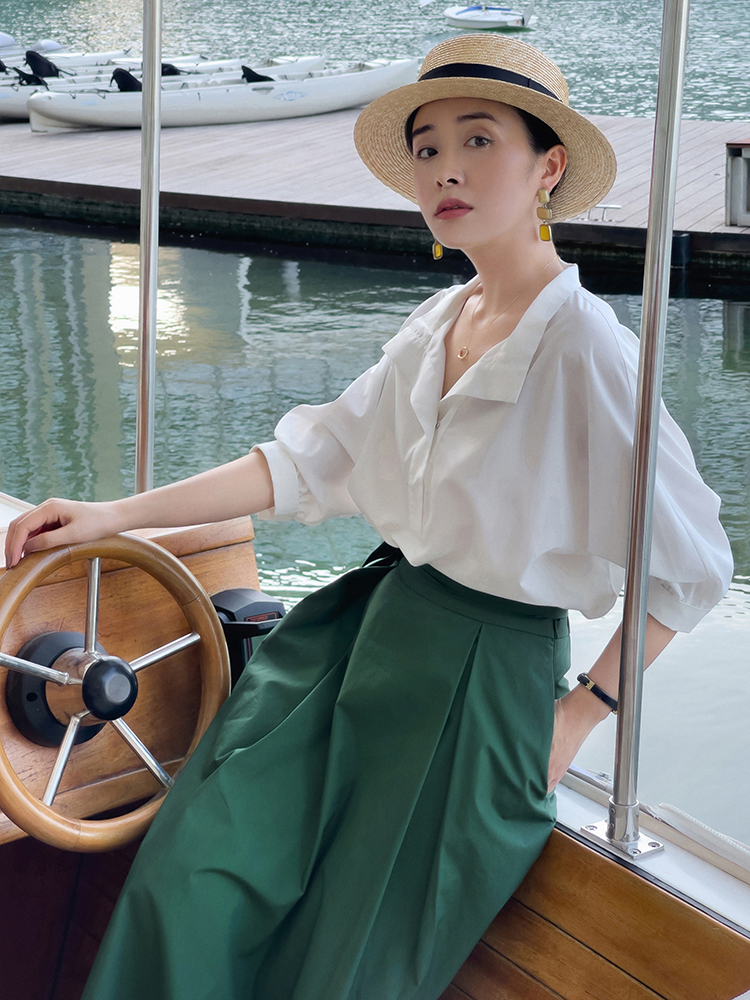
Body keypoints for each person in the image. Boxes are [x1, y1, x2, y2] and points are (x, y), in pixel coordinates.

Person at [3, 34, 733, 1000]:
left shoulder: (585, 346)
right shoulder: (441, 321)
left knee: (347, 970)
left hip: (482, 684)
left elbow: (692, 564)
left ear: (548, 167)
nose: (446, 170)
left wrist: (581, 713)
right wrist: (113, 515)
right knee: (194, 874)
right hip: (362, 640)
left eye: (479, 141)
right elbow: (306, 461)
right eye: (428, 149)